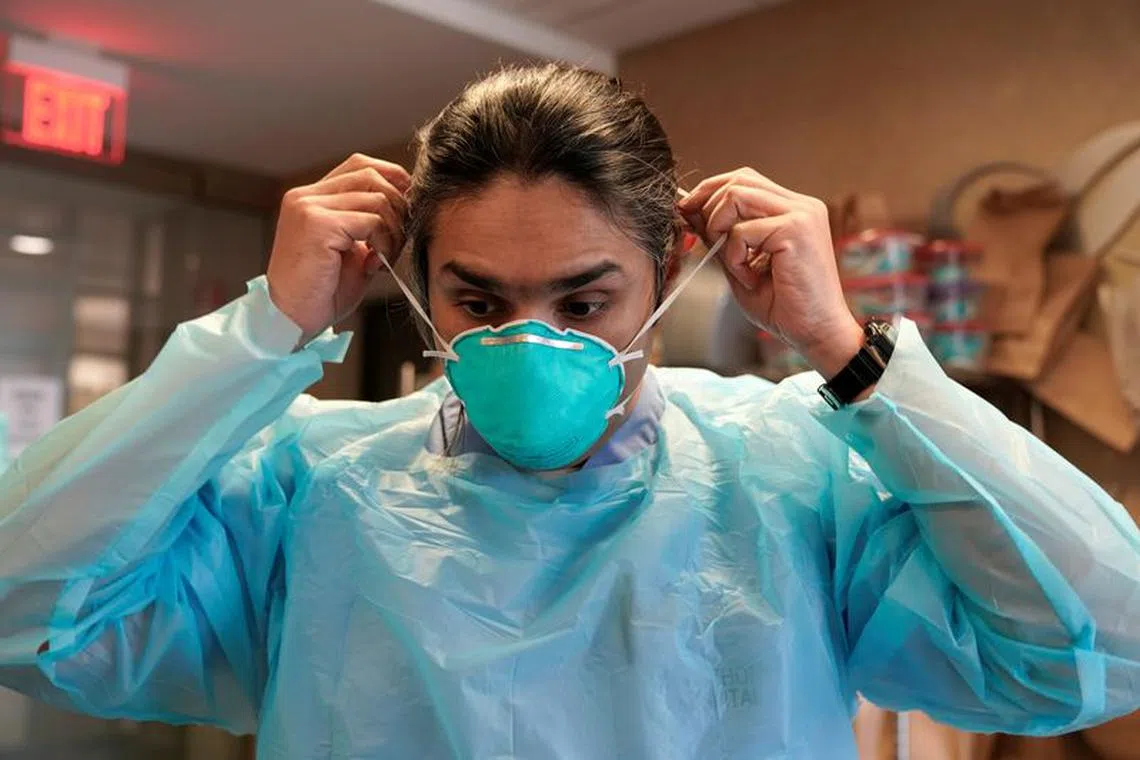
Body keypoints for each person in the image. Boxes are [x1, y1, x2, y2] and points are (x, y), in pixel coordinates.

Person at [0, 63, 1138, 760]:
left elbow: (1099, 651)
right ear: (417, 283)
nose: (533, 342)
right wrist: (262, 336)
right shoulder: (308, 485)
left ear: (670, 269)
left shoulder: (790, 474)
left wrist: (852, 356)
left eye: (585, 300)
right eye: (479, 300)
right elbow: (25, 605)